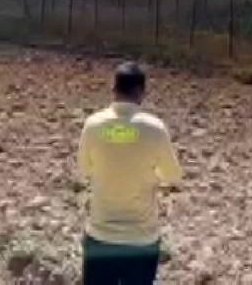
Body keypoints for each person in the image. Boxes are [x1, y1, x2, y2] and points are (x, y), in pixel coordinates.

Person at [78, 61, 182, 284]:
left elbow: (84, 169)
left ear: (113, 90)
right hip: (141, 242)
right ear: (141, 93)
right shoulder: (155, 128)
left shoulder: (93, 125)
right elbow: (173, 176)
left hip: (100, 238)